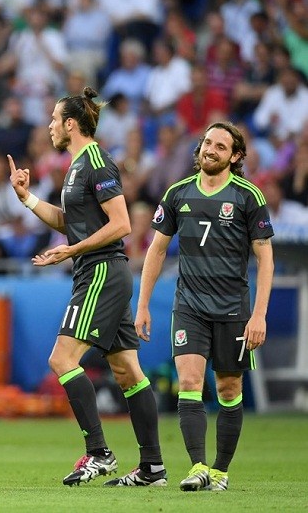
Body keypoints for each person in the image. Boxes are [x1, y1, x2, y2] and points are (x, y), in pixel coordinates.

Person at [7, 86, 166, 487]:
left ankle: (99, 453)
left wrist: (71, 250)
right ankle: (153, 468)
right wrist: (27, 199)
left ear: (71, 124)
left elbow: (122, 224)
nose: (49, 126)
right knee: (127, 370)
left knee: (62, 360)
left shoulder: (97, 162)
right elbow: (68, 221)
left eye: (54, 119)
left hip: (100, 272)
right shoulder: (76, 165)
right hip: (98, 270)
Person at [135, 122, 274, 492]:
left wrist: (259, 314)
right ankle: (197, 465)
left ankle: (220, 471)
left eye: (221, 146)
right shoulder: (178, 193)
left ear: (236, 156)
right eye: (208, 143)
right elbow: (157, 249)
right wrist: (143, 304)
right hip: (190, 306)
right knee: (190, 381)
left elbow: (265, 257)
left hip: (233, 309)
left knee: (228, 388)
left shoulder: (248, 196)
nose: (210, 150)